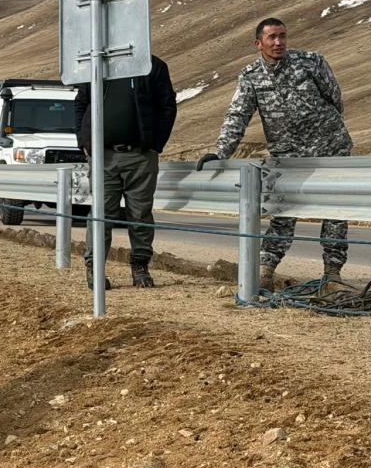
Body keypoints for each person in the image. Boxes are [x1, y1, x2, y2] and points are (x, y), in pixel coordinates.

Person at [195, 18, 352, 289]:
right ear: (259, 43)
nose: (278, 42)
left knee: (335, 211)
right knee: (282, 211)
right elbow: (238, 115)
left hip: (330, 149)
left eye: (282, 36)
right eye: (272, 37)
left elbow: (335, 98)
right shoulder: (251, 76)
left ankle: (333, 274)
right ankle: (265, 271)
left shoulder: (311, 62)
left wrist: (324, 131)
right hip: (287, 156)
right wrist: (221, 152)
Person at [74, 54, 177, 289]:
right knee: (101, 214)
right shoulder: (97, 62)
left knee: (140, 214)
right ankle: (95, 268)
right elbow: (81, 103)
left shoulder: (151, 65)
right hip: (103, 156)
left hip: (140, 155)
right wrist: (83, 140)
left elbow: (167, 106)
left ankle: (140, 267)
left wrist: (155, 143)